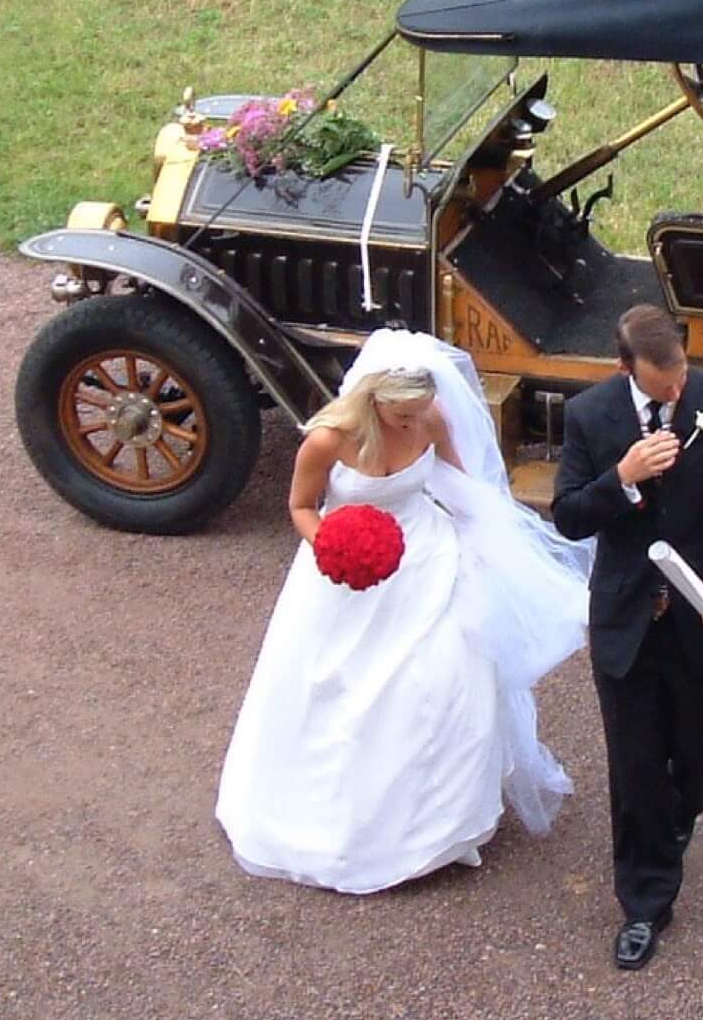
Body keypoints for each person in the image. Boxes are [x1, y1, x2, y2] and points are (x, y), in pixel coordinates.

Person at [215, 330, 592, 894]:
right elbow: (299, 506)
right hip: (344, 578)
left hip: (426, 562)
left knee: (446, 684)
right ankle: (342, 827)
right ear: (371, 398)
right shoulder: (327, 439)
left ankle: (443, 829)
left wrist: (492, 547)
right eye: (401, 415)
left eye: (420, 412)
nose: (413, 423)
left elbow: (464, 485)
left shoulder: (430, 417)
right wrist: (329, 543)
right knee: (337, 690)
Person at [552, 304, 703, 970]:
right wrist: (621, 480)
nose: (678, 391)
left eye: (682, 375)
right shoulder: (588, 417)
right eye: (664, 386)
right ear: (626, 369)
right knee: (634, 766)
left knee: (701, 745)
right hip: (627, 618)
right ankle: (645, 903)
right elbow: (569, 516)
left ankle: (680, 808)